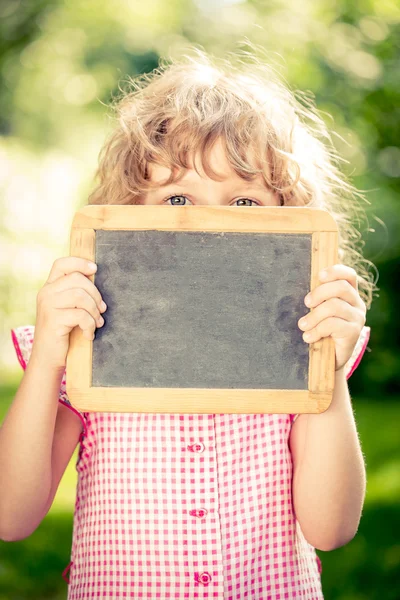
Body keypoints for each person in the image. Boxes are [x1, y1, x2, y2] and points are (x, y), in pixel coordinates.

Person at [2, 48, 375, 599]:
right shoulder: (90, 344)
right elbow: (12, 516)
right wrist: (51, 357)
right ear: (131, 208)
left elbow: (331, 528)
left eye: (245, 202)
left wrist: (324, 365)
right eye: (179, 197)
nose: (211, 225)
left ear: (288, 215)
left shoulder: (298, 343)